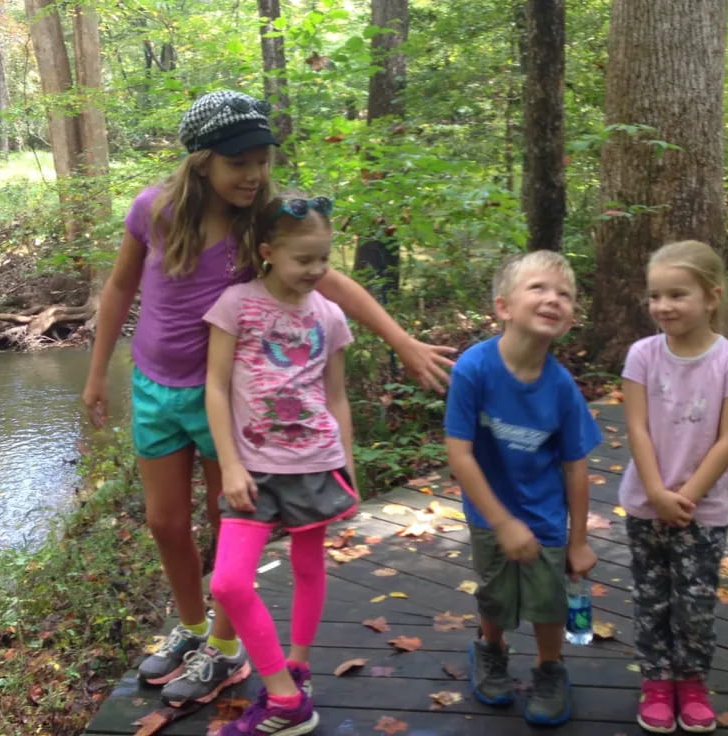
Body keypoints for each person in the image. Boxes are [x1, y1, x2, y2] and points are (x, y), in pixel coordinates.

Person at [80, 90, 454, 705]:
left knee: (227, 520)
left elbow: (327, 278)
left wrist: (402, 339)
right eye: (239, 163)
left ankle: (225, 653)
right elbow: (121, 287)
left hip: (225, 398)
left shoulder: (262, 222)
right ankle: (194, 629)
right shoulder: (155, 210)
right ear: (203, 161)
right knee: (165, 522)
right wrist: (98, 375)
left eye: (261, 160)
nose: (254, 175)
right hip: (154, 386)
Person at [204, 192, 354, 735]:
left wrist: (348, 464)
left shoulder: (331, 316)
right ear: (268, 251)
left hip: (315, 461)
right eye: (304, 259)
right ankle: (286, 695)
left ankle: (294, 670)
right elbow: (216, 388)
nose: (316, 270)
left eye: (324, 258)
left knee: (309, 567)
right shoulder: (236, 305)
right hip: (253, 469)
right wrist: (230, 465)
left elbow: (336, 397)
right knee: (228, 584)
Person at [444, 250, 601, 727]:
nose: (553, 299)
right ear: (503, 306)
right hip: (489, 513)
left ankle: (549, 668)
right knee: (495, 593)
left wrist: (578, 541)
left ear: (571, 318)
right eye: (539, 288)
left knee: (548, 598)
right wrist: (502, 522)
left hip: (545, 514)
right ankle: (490, 650)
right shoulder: (474, 369)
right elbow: (460, 455)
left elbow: (576, 468)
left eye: (564, 294)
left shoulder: (562, 388)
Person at [620, 240, 728, 734]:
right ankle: (657, 681)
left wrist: (688, 496)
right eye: (655, 296)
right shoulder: (642, 355)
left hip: (702, 509)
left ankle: (692, 681)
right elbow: (636, 428)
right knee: (651, 598)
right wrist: (656, 491)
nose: (663, 306)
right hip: (645, 503)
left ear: (712, 296)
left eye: (677, 294)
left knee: (695, 605)